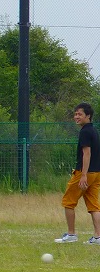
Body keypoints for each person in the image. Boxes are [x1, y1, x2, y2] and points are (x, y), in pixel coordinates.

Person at [56, 102, 100, 244]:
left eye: (80, 114)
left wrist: (83, 175)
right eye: (75, 114)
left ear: (88, 116)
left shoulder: (85, 131)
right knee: (94, 205)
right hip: (96, 173)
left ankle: (71, 234)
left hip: (84, 173)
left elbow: (86, 154)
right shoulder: (93, 130)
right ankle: (98, 237)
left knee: (68, 202)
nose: (76, 117)